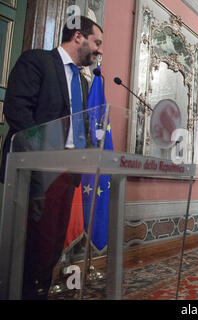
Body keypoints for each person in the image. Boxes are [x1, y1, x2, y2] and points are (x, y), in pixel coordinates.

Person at [0, 15, 103, 299]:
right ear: (78, 36)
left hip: (66, 176)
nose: (100, 50)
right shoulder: (37, 61)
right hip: (35, 173)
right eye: (97, 42)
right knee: (32, 245)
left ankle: (38, 293)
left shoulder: (83, 83)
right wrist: (44, 156)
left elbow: (79, 128)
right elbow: (17, 110)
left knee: (53, 245)